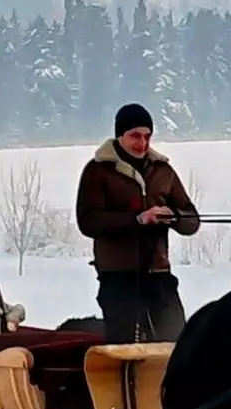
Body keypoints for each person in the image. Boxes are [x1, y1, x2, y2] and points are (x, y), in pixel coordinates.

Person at [75, 103, 200, 344]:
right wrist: (138, 219)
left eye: (147, 136)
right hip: (118, 277)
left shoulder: (163, 171)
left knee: (175, 344)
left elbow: (192, 220)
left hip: (159, 275)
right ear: (119, 135)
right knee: (124, 351)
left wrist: (173, 216)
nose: (142, 143)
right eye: (135, 136)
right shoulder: (98, 171)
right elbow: (88, 221)